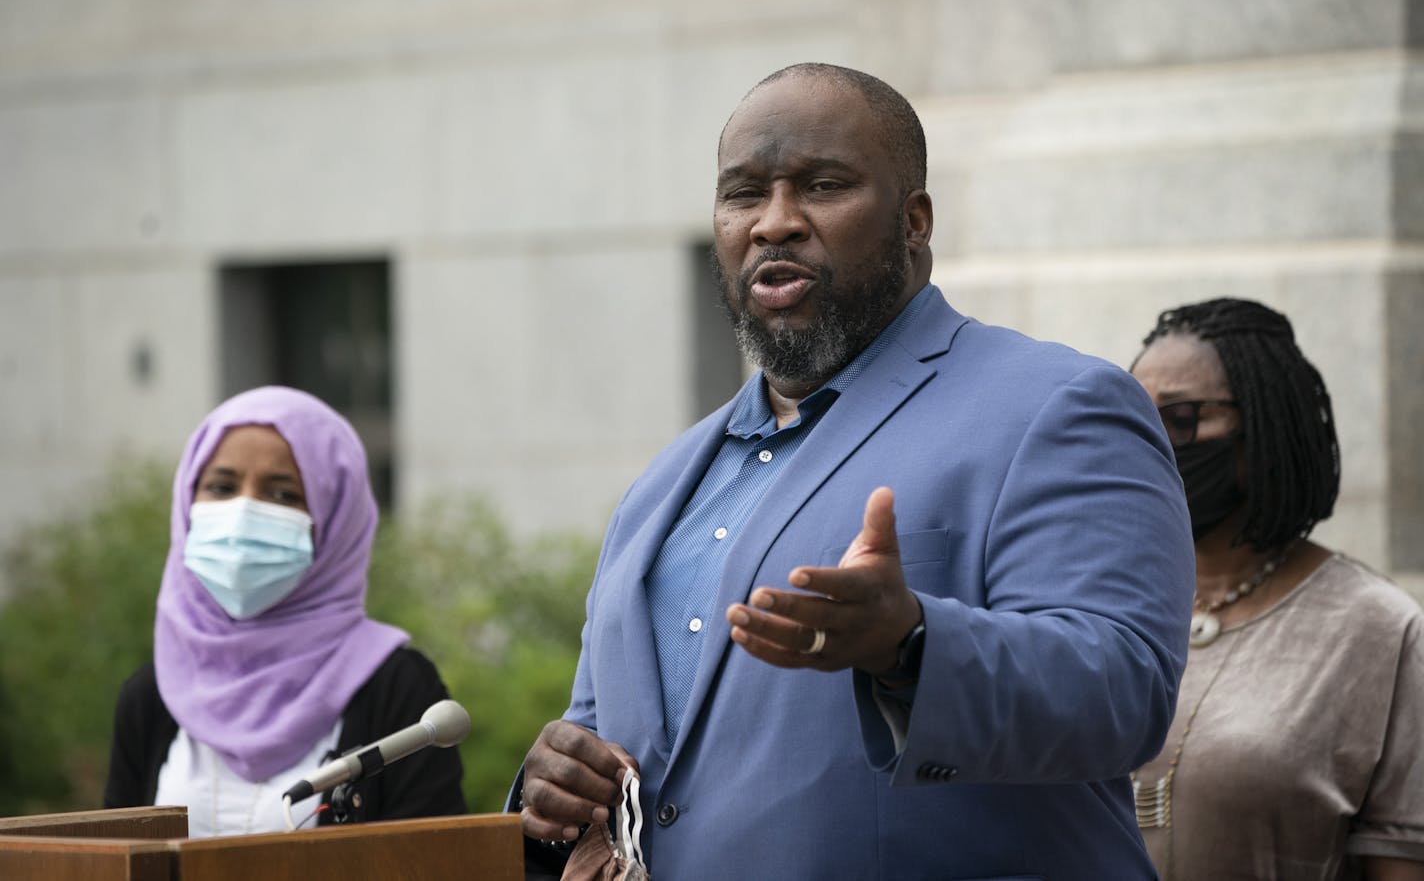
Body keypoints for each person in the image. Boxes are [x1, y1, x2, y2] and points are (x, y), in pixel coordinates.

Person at [513, 63, 1196, 880]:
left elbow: (1122, 692)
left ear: (914, 222)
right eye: (742, 195)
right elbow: (613, 752)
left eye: (822, 185)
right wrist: (553, 790)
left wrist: (910, 641)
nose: (774, 223)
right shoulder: (660, 488)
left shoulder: (1058, 406)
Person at [1129, 298, 1424, 880]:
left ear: (1265, 422)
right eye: (1136, 415)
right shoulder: (1095, 598)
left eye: (1182, 417)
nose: (1153, 442)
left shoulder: (1379, 629)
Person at [103, 385, 465, 835]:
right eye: (221, 486)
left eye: (283, 495)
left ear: (336, 521)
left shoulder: (397, 691)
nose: (244, 511)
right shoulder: (153, 697)